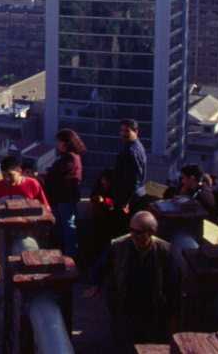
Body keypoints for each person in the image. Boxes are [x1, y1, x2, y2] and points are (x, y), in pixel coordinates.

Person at [88, 211, 177, 352]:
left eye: (138, 232)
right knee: (123, 344)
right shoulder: (117, 246)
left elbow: (173, 284)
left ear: (151, 232)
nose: (133, 235)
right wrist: (95, 284)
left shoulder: (165, 251)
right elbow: (100, 266)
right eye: (131, 230)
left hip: (152, 309)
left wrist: (172, 314)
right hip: (125, 306)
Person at [43, 128, 85, 258]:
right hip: (63, 198)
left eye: (59, 142)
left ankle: (70, 256)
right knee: (64, 227)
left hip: (64, 198)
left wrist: (45, 176)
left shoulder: (70, 158)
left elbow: (60, 176)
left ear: (66, 143)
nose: (58, 145)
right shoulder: (71, 157)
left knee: (67, 227)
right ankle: (67, 254)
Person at [0, 154, 51, 225]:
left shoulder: (32, 184)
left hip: (28, 231)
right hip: (4, 231)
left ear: (19, 171)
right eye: (4, 175)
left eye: (10, 175)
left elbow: (45, 207)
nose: (7, 179)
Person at [111, 119, 147, 230]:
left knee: (124, 229)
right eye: (121, 131)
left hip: (128, 198)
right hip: (135, 195)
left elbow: (134, 178)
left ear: (136, 131)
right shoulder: (137, 146)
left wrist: (126, 202)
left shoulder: (131, 151)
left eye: (127, 131)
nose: (123, 134)